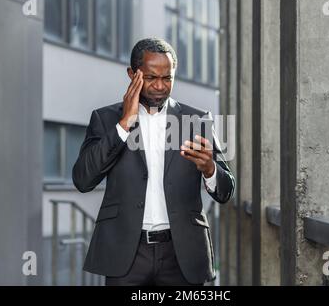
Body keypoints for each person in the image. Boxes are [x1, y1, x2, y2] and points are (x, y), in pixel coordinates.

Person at [72, 38, 235, 286]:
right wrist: (124, 124)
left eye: (167, 78)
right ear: (132, 74)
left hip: (182, 255)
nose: (160, 86)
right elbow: (83, 179)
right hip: (127, 254)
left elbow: (227, 191)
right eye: (150, 78)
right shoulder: (105, 119)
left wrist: (210, 169)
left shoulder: (197, 120)